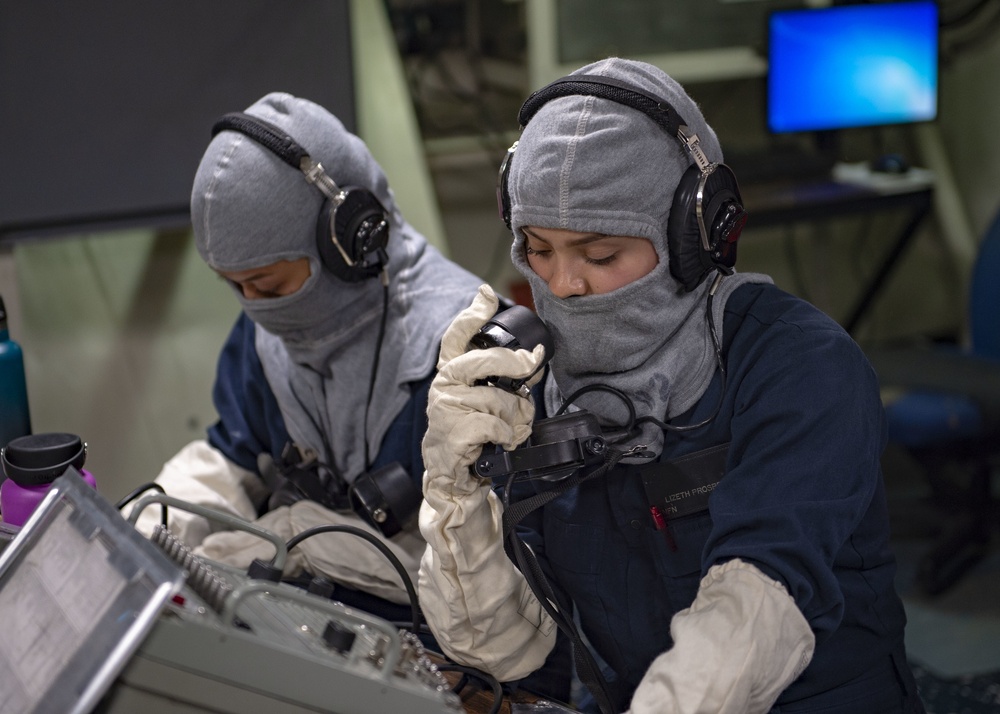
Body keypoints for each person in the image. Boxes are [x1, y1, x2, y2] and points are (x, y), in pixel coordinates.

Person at [417, 58, 926, 713]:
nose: (564, 285)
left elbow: (754, 612)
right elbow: (507, 652)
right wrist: (458, 499)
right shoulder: (536, 385)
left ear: (694, 235)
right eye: (538, 250)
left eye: (600, 256)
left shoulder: (802, 366)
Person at [133, 92, 483, 619]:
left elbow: (482, 574)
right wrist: (151, 527)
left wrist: (302, 538)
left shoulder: (463, 350)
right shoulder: (260, 338)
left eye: (270, 287)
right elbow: (236, 456)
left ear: (347, 244)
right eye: (235, 287)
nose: (255, 307)